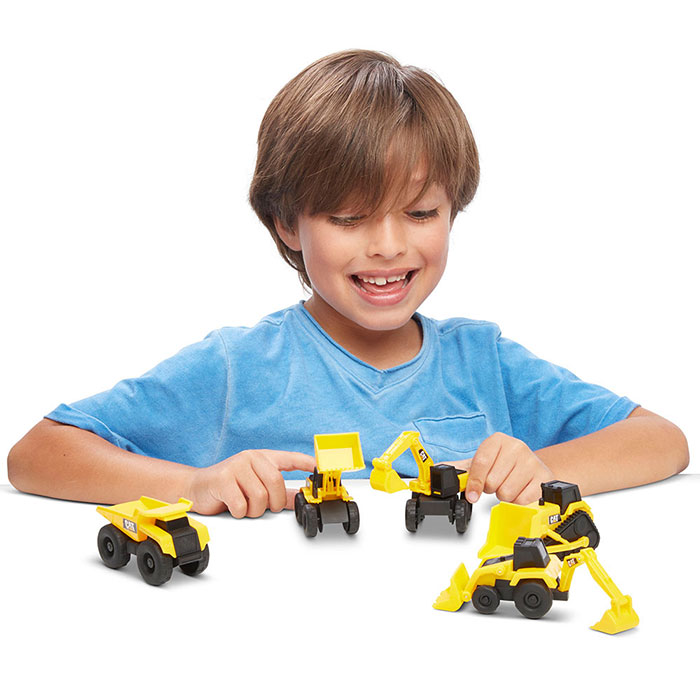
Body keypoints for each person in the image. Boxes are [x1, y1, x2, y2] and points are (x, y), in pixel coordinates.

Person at [7, 50, 688, 518]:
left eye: (420, 213)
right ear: (287, 223)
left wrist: (542, 470)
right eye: (349, 217)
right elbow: (38, 453)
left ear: (453, 212)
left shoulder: (485, 363)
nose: (388, 245)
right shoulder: (239, 367)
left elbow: (663, 440)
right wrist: (193, 483)